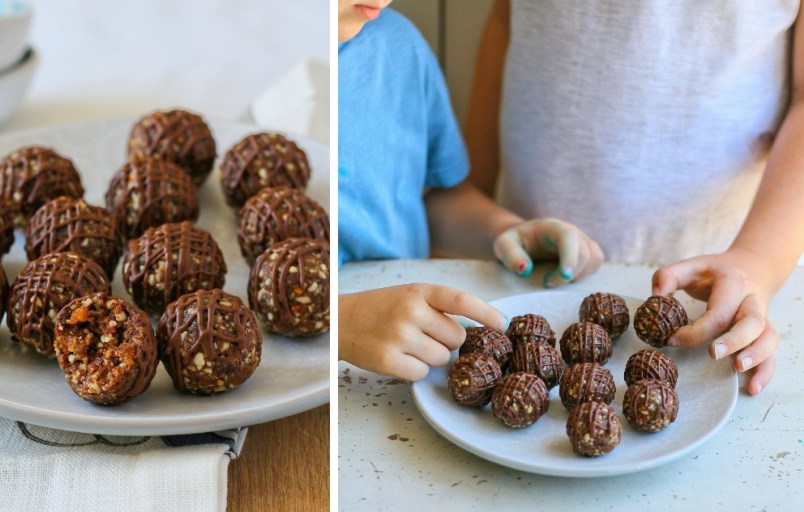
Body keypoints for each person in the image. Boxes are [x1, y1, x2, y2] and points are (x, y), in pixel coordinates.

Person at [464, 1, 804, 395]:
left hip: (708, 283)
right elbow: (507, 20)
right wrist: (469, 199)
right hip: (527, 260)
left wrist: (757, 262)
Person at [337, 1, 603, 381]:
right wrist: (345, 321)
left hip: (420, 367)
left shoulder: (401, 48)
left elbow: (429, 198)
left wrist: (505, 232)